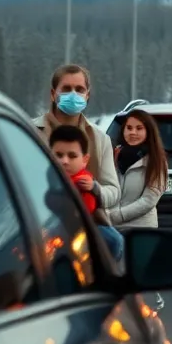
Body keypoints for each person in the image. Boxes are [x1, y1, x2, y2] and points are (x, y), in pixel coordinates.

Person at [34, 64, 120, 224]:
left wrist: (94, 188)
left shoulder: (100, 139)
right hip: (39, 224)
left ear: (87, 95)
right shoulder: (31, 133)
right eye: (66, 89)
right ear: (53, 94)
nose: (73, 94)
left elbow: (113, 192)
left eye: (79, 89)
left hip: (88, 227)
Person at [49, 124, 125, 263]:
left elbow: (108, 195)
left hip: (86, 232)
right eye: (58, 155)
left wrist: (94, 188)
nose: (64, 161)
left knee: (115, 240)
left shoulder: (84, 180)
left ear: (85, 160)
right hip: (57, 236)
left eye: (72, 156)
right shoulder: (43, 182)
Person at [110, 109, 168, 229]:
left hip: (141, 230)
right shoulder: (113, 155)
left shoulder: (156, 160)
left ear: (148, 131)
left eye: (139, 128)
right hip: (112, 228)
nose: (133, 132)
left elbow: (148, 200)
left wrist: (117, 215)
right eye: (129, 128)